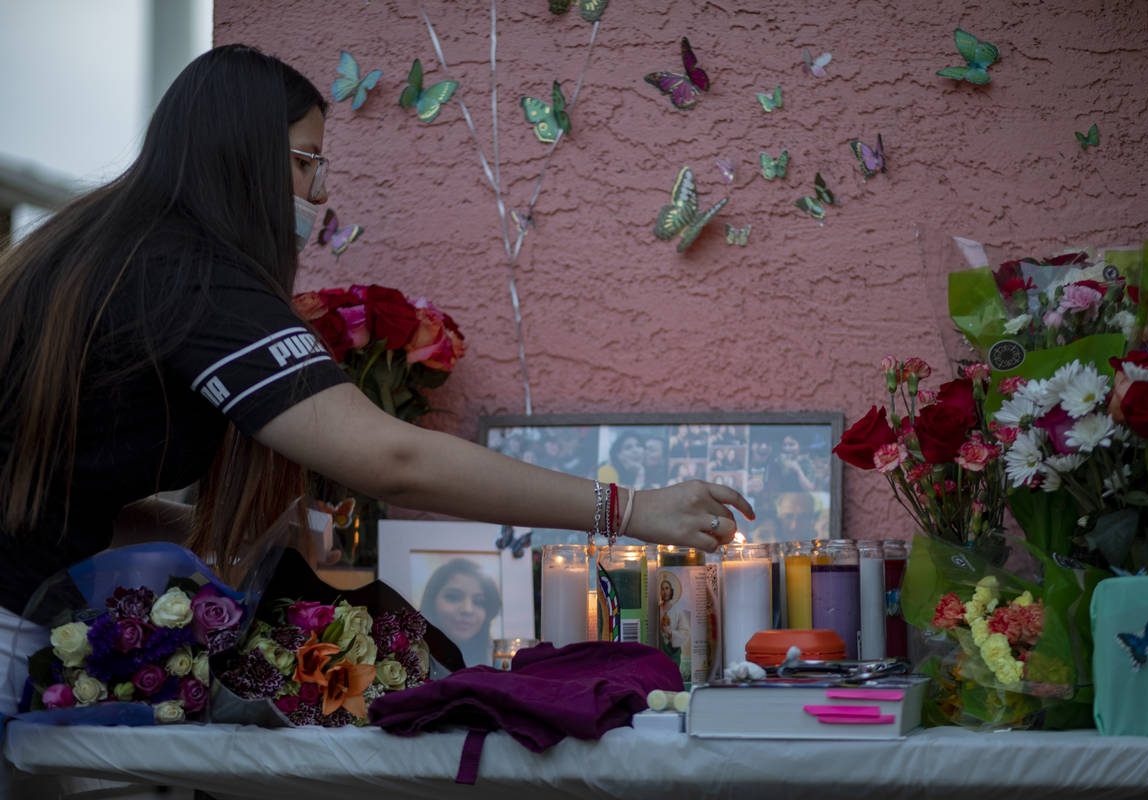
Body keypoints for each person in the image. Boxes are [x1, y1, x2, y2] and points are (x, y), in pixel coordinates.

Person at [0, 45, 753, 714]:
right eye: (306, 162)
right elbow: (391, 459)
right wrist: (628, 509)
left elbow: (65, 488)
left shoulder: (93, 252)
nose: (319, 192)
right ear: (245, 156)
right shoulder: (194, 276)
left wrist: (231, 553)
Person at [419, 558, 501, 668]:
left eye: (479, 602)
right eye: (453, 597)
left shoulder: (497, 661)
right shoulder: (407, 658)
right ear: (431, 601)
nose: (467, 609)